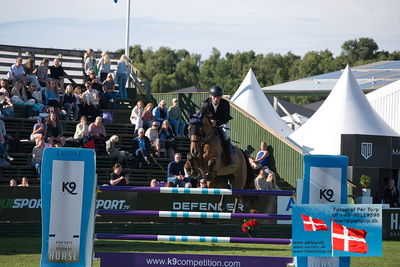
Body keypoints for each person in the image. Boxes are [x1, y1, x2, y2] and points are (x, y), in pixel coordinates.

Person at [200, 85, 235, 166]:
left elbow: (226, 118)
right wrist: (209, 121)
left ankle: (229, 158)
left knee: (225, 135)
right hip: (208, 124)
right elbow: (201, 115)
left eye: (218, 97)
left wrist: (216, 122)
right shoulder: (205, 103)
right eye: (214, 97)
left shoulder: (225, 103)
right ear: (210, 96)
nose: (216, 99)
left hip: (221, 123)